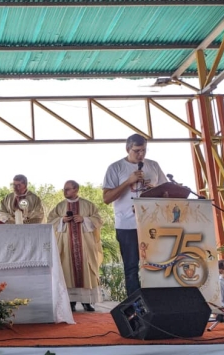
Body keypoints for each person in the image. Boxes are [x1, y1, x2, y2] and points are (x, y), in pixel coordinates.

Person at [103, 133, 167, 297]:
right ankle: (136, 304)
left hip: (152, 224)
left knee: (157, 264)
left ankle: (156, 300)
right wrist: (128, 182)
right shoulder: (115, 167)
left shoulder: (153, 166)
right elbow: (106, 198)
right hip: (127, 225)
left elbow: (166, 192)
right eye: (137, 151)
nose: (141, 155)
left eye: (144, 150)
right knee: (131, 266)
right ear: (128, 149)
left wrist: (151, 191)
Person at [47, 180, 103, 312]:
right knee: (67, 269)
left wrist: (84, 219)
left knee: (86, 270)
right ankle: (70, 300)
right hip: (66, 245)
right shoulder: (60, 206)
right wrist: (62, 220)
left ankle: (87, 301)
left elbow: (99, 219)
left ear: (76, 189)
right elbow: (50, 221)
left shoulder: (88, 205)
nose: (64, 191)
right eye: (64, 189)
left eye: (67, 189)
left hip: (85, 245)